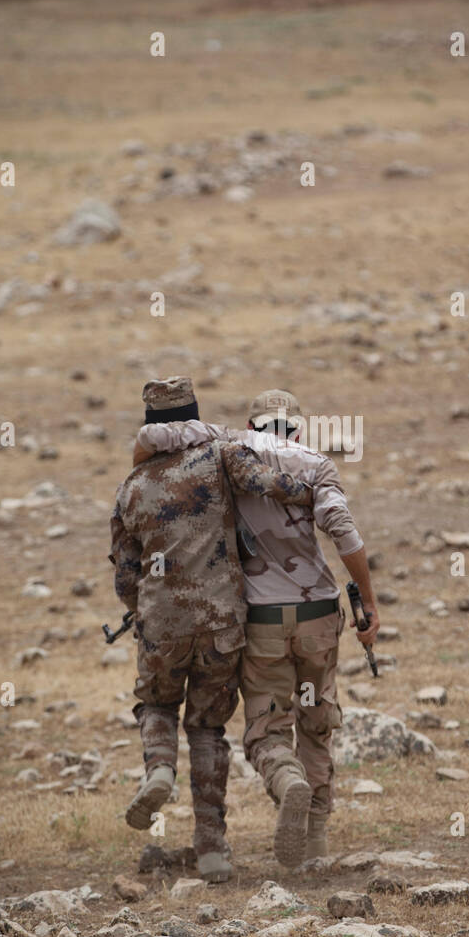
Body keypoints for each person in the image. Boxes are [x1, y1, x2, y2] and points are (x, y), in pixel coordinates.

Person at [133, 388, 379, 868]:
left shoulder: (228, 450)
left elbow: (154, 435)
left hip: (262, 621)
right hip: (320, 617)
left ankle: (287, 781)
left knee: (267, 730)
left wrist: (143, 449)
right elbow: (342, 528)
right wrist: (367, 599)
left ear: (252, 427)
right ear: (299, 429)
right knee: (318, 721)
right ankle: (315, 846)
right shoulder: (315, 463)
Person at [109, 377, 316, 884]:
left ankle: (159, 769)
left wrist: (143, 611)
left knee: (157, 705)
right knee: (206, 729)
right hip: (223, 623)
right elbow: (269, 483)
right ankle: (212, 849)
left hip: (161, 624)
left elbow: (124, 576)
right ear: (195, 413)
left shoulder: (131, 490)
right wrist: (315, 488)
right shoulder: (221, 455)